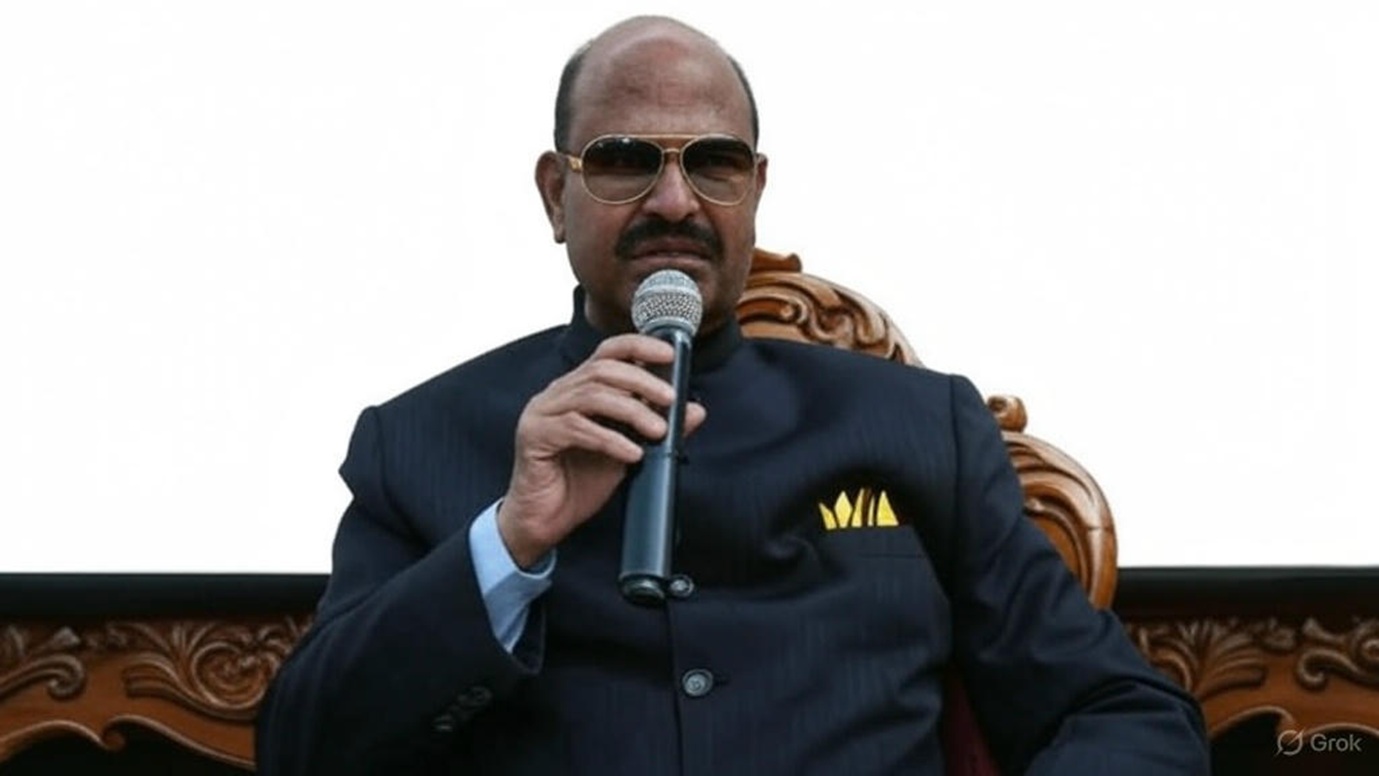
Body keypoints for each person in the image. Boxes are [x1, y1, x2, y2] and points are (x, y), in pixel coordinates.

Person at [255, 15, 1210, 775]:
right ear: (554, 196)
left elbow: (1121, 712)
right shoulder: (419, 441)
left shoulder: (919, 429)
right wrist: (509, 541)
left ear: (753, 189)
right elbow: (303, 749)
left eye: (711, 162)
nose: (673, 201)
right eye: (625, 159)